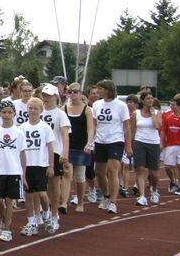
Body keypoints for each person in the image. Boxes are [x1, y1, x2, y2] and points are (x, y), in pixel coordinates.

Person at [89, 80, 132, 213]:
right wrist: (90, 141)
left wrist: (128, 145)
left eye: (100, 89)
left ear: (107, 90)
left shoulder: (120, 106)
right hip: (100, 141)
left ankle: (113, 201)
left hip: (115, 140)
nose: (98, 92)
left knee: (113, 170)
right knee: (100, 172)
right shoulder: (96, 105)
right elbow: (94, 125)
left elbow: (126, 127)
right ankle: (106, 195)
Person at [20, 97, 55, 235]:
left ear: (41, 110)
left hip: (40, 165)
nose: (32, 111)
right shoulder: (22, 128)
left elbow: (50, 147)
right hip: (27, 166)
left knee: (42, 194)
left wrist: (51, 165)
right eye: (30, 108)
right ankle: (31, 221)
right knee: (28, 195)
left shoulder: (45, 128)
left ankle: (46, 213)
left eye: (35, 108)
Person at [0, 100, 24, 241]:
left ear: (14, 114)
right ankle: (5, 219)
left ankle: (6, 228)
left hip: (13, 170)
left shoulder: (19, 132)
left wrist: (24, 173)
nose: (6, 115)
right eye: (4, 112)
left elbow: (22, 154)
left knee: (9, 200)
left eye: (9, 112)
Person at [40, 84, 70, 223]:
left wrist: (65, 151)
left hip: (55, 150)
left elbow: (65, 134)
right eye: (44, 95)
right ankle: (41, 210)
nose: (46, 98)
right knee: (39, 184)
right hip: (39, 152)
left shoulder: (60, 114)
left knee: (54, 183)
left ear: (56, 97)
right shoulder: (39, 112)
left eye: (49, 95)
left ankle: (54, 212)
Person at [64, 84, 94, 212]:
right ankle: (64, 202)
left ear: (80, 93)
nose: (73, 94)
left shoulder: (87, 110)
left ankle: (80, 203)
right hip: (68, 146)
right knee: (67, 174)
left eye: (75, 92)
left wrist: (89, 143)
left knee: (80, 176)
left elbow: (91, 129)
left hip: (81, 147)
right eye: (70, 92)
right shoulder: (63, 109)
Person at [132, 90, 162, 207]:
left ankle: (154, 190)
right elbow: (133, 129)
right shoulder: (136, 113)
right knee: (140, 169)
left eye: (152, 98)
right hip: (140, 142)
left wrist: (152, 113)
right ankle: (142, 196)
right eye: (148, 98)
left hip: (153, 143)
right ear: (143, 100)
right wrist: (130, 145)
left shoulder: (157, 112)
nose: (150, 100)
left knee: (154, 173)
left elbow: (157, 126)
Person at [160, 93, 180, 197]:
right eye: (171, 105)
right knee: (168, 166)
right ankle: (174, 180)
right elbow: (163, 131)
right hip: (170, 145)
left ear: (179, 106)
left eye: (173, 105)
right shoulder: (168, 117)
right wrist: (162, 143)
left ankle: (179, 187)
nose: (171, 106)